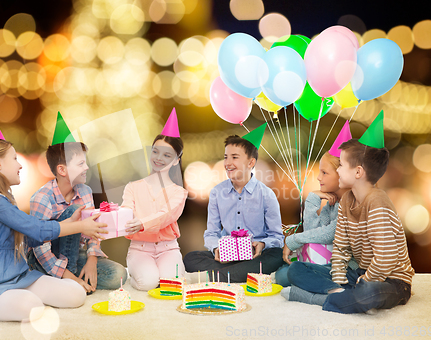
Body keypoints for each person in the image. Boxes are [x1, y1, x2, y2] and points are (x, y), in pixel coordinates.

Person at [0, 110, 106, 321]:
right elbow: (36, 227)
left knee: (76, 294)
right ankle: (7, 300)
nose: (19, 165)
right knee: (32, 307)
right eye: (14, 159)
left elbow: (31, 236)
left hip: (17, 275)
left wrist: (68, 223)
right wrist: (78, 226)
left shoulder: (4, 198)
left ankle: (19, 296)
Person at [283, 111, 414, 314]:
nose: (338, 170)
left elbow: (385, 258)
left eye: (342, 165)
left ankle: (317, 298)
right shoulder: (346, 201)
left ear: (358, 172)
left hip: (391, 280)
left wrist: (366, 281)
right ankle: (340, 294)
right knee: (296, 269)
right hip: (359, 274)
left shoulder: (377, 203)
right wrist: (339, 280)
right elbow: (341, 249)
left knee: (369, 291)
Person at [28, 112, 127, 294]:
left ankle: (67, 279)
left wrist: (92, 260)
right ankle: (66, 277)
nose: (86, 168)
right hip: (45, 258)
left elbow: (93, 230)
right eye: (81, 164)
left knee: (119, 275)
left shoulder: (85, 191)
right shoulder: (42, 198)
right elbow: (39, 249)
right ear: (62, 170)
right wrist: (70, 277)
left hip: (76, 254)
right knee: (74, 211)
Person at [183, 125, 284, 282]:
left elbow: (277, 237)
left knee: (277, 256)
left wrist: (262, 244)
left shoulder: (266, 195)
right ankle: (239, 274)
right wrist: (216, 248)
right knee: (191, 258)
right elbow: (211, 233)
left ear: (251, 162)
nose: (227, 163)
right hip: (226, 256)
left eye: (234, 157)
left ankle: (214, 276)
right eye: (225, 157)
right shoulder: (217, 192)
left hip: (255, 255)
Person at [273, 122, 356, 286]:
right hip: (327, 261)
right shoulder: (332, 204)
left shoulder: (351, 203)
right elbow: (313, 232)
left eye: (324, 173)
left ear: (341, 175)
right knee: (282, 271)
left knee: (285, 274)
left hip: (348, 268)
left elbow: (330, 233)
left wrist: (293, 239)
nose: (319, 177)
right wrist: (312, 198)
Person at [122, 109, 188, 291]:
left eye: (167, 155)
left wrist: (141, 222)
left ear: (176, 161)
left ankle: (165, 273)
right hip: (140, 248)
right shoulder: (132, 187)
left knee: (173, 285)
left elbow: (165, 215)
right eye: (156, 152)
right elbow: (126, 211)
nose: (159, 158)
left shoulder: (179, 193)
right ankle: (138, 276)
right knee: (148, 283)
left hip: (168, 249)